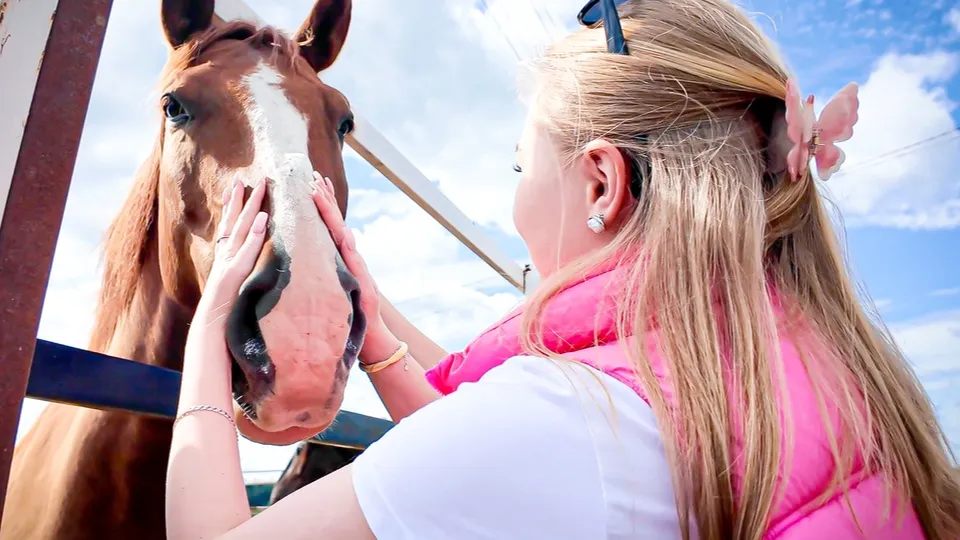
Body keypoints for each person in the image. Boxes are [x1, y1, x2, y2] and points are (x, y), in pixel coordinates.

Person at [164, 0, 960, 538]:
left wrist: (206, 341)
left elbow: (510, 441)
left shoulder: (570, 423)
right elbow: (473, 432)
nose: (514, 200)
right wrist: (367, 309)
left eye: (521, 169)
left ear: (602, 184)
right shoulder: (813, 358)